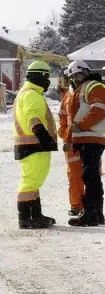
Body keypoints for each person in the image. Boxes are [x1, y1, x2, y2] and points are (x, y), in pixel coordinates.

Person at [65, 60, 105, 227]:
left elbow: (98, 111)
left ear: (85, 72)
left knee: (89, 176)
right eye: (73, 76)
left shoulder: (94, 87)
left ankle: (91, 214)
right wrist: (71, 137)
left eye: (78, 74)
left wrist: (80, 126)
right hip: (87, 138)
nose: (76, 79)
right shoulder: (83, 89)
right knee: (91, 177)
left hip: (92, 138)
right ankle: (96, 214)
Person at [12, 61, 58, 229]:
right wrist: (43, 136)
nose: (48, 82)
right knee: (29, 181)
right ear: (40, 76)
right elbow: (33, 117)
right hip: (34, 144)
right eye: (47, 78)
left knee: (34, 181)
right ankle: (25, 218)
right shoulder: (31, 95)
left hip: (32, 145)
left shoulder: (28, 93)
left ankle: (35, 215)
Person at [57, 74, 84, 216]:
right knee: (74, 176)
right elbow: (62, 116)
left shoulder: (90, 93)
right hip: (71, 143)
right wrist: (63, 132)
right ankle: (76, 206)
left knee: (90, 175)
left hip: (88, 141)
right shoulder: (68, 96)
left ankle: (90, 206)